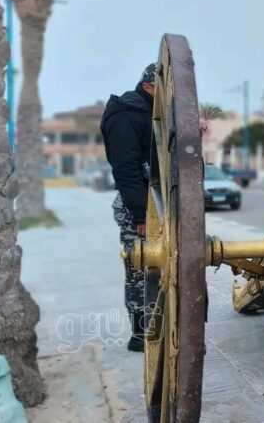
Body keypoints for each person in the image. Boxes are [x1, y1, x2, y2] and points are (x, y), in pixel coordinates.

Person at [100, 63, 157, 352]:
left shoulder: (151, 112)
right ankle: (140, 335)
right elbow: (126, 170)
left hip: (156, 205)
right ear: (148, 87)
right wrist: (140, 214)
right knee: (139, 268)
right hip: (138, 208)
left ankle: (159, 324)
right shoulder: (126, 114)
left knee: (156, 267)